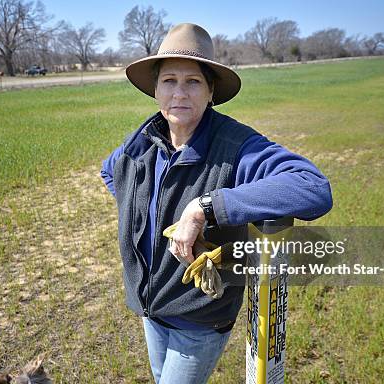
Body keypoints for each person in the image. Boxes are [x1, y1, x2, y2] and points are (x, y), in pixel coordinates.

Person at [100, 23, 332, 384]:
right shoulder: (143, 141)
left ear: (211, 91)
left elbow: (313, 188)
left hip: (201, 318)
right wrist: (137, 211)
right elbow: (109, 171)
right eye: (169, 81)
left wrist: (204, 208)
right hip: (152, 311)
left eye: (193, 82)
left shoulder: (235, 145)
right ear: (155, 89)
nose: (180, 93)